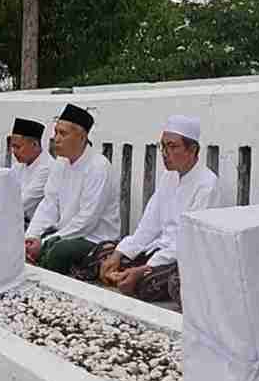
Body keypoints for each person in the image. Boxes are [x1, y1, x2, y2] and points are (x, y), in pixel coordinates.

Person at [84, 115, 219, 306]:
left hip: (180, 258)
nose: (165, 153)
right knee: (103, 255)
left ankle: (131, 277)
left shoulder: (207, 185)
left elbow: (187, 244)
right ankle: (126, 276)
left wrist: (143, 269)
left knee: (150, 283)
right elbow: (148, 227)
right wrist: (118, 255)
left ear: (193, 149)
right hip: (156, 250)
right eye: (163, 146)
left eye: (172, 147)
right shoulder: (168, 177)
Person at [24, 103, 120, 276]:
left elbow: (87, 220)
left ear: (82, 137)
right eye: (55, 132)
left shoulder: (98, 166)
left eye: (63, 133)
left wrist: (46, 242)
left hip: (93, 237)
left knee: (58, 252)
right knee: (23, 241)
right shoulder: (61, 163)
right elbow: (49, 204)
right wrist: (32, 236)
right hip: (63, 233)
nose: (56, 139)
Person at [8, 117, 53, 225]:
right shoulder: (18, 166)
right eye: (12, 147)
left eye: (17, 147)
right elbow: (6, 193)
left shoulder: (47, 168)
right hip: (17, 220)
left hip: (36, 226)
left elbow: (23, 203)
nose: (13, 152)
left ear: (34, 145)